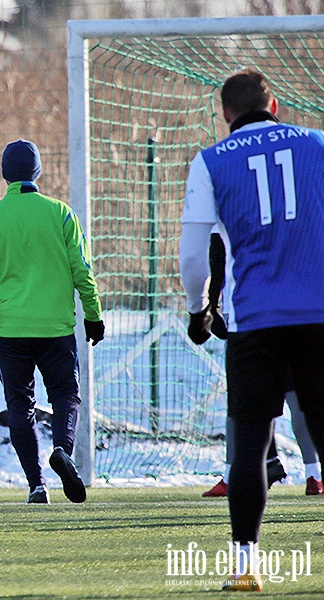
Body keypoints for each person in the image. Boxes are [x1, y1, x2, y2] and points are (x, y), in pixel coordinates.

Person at [179, 68, 324, 592]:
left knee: (250, 446)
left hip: (253, 323)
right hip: (319, 317)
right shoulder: (318, 144)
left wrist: (199, 309)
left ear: (225, 115)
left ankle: (244, 568)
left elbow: (194, 255)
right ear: (276, 104)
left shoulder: (211, 161)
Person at [0, 139, 104, 505]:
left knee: (19, 404)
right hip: (56, 329)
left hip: (9, 331)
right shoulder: (61, 214)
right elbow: (82, 271)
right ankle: (63, 450)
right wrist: (93, 315)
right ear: (37, 172)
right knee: (65, 396)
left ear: (5, 174)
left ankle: (36, 485)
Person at [202, 231, 322, 498]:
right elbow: (216, 261)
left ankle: (313, 474)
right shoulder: (226, 218)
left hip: (282, 316)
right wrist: (211, 306)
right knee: (248, 401)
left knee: (296, 398)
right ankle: (249, 471)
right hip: (249, 319)